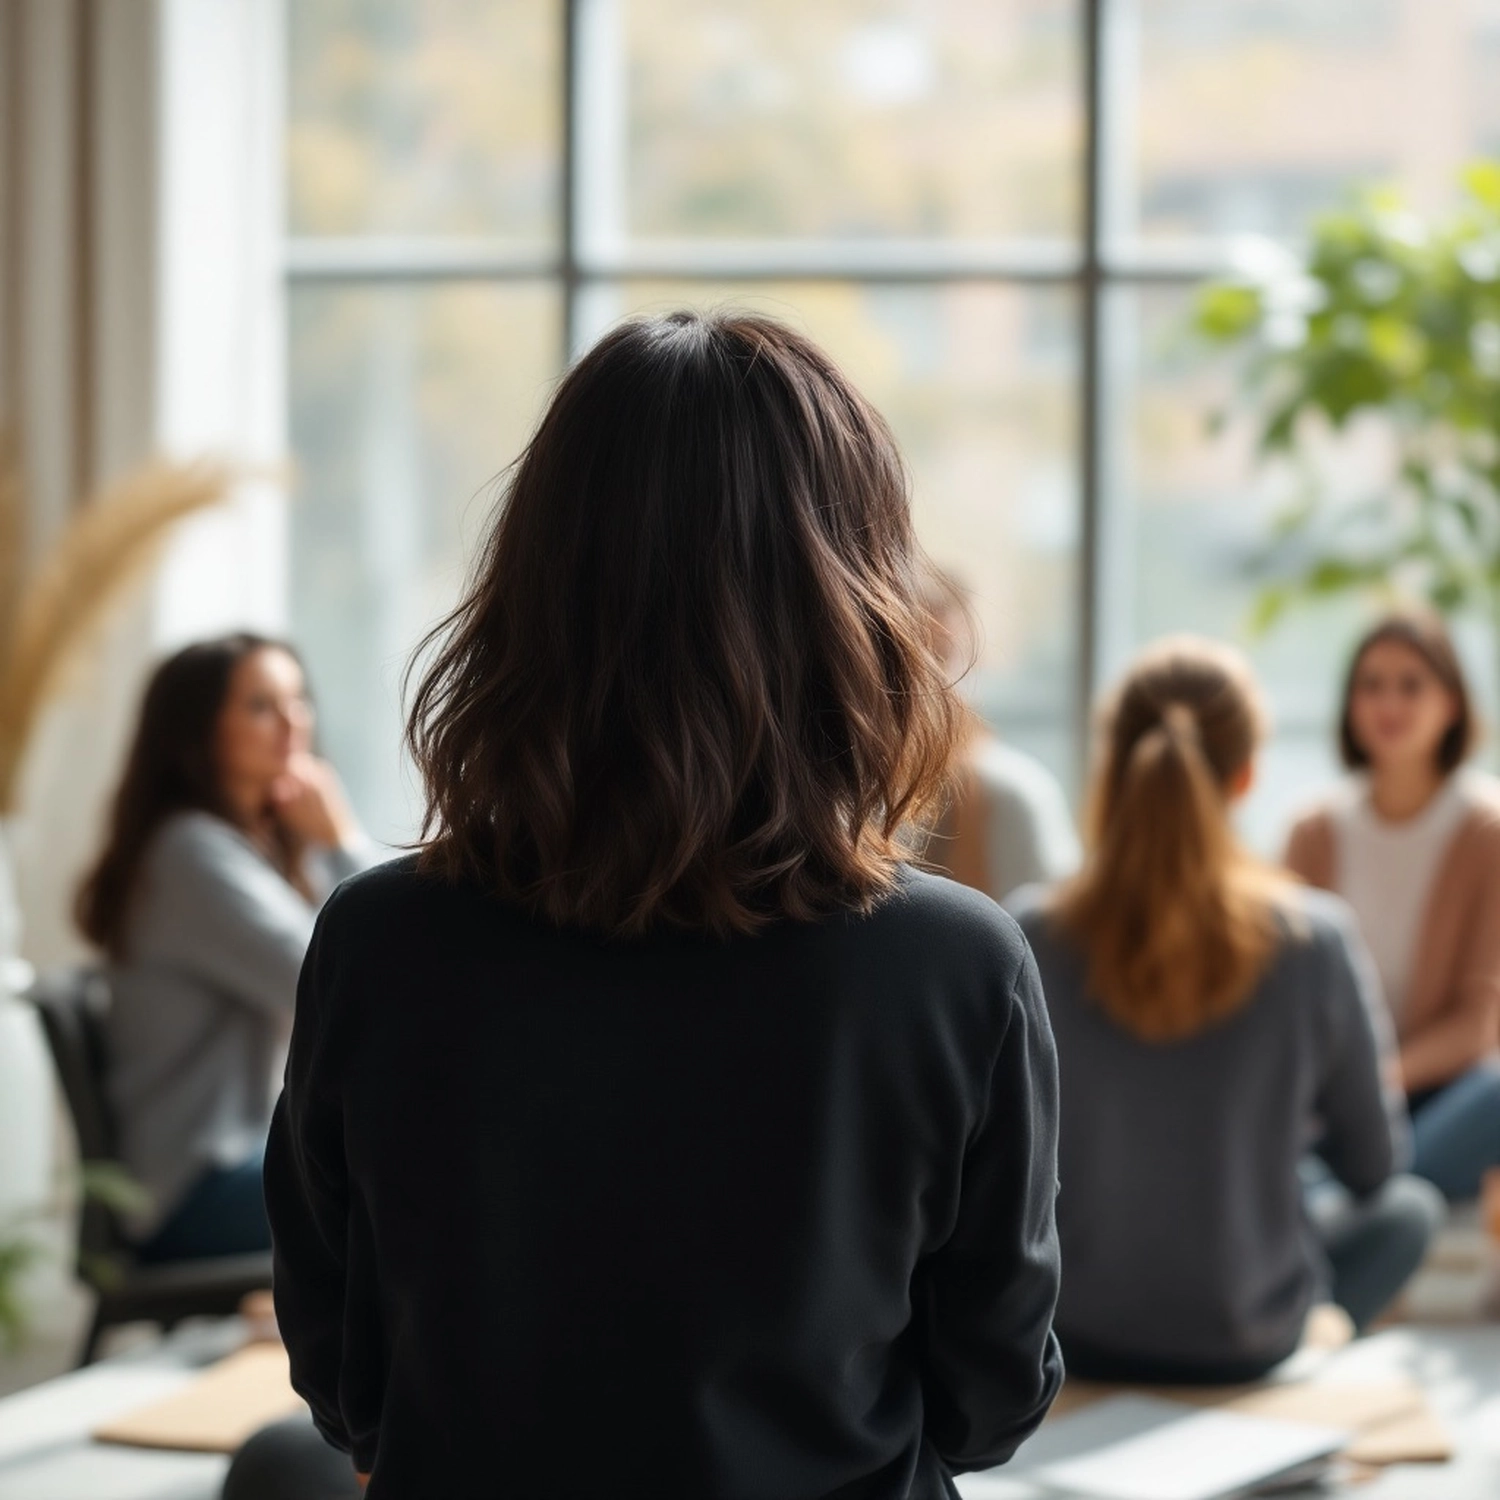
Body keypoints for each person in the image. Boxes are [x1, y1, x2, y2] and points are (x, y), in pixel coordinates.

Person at [265, 311, 1063, 1498]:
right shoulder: (959, 966)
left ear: (533, 583)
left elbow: (343, 1377)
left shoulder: (378, 941)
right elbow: (990, 1403)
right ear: (855, 604)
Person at [1010, 636, 1441, 1385]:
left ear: (1110, 764)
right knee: (1410, 1210)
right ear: (1245, 775)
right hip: (1245, 1342)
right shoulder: (1314, 939)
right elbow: (1375, 1167)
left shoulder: (1030, 932)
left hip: (1070, 1333)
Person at [76, 634, 378, 1262]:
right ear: (196, 731)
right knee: (420, 1181)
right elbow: (348, 978)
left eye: (298, 699)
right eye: (261, 706)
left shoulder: (253, 847)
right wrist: (342, 840)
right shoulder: (191, 853)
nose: (293, 723)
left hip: (236, 1168)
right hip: (194, 1191)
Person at [1286, 610, 1500, 1202]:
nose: (1389, 703)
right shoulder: (1312, 830)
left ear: (1452, 703)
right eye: (1371, 685)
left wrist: (1376, 1081)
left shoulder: (1487, 831)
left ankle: (1344, 1202)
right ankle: (1366, 1204)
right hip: (1326, 1101)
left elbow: (1479, 1023)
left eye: (1411, 685)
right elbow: (1283, 994)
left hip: (1441, 1095)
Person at [918, 568, 1081, 904]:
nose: (935, 681)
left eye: (942, 656)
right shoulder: (1019, 790)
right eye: (922, 656)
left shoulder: (1016, 792)